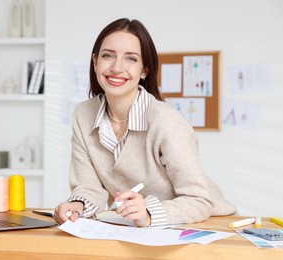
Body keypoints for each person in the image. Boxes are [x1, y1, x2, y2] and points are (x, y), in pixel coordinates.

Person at [54, 18, 236, 227]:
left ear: (144, 71)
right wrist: (77, 205)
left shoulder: (166, 121)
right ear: (95, 62)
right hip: (140, 228)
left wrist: (148, 213)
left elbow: (199, 200)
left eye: (130, 59)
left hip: (203, 223)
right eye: (107, 56)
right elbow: (89, 186)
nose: (116, 67)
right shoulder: (83, 115)